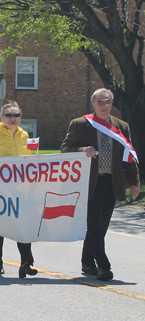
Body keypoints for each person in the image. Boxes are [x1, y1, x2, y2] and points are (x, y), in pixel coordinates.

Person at [61, 88, 139, 281]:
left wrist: (134, 182)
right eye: (100, 102)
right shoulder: (80, 124)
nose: (104, 105)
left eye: (107, 102)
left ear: (111, 104)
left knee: (101, 227)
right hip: (89, 183)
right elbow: (65, 149)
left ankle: (87, 263)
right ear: (93, 104)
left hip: (112, 183)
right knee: (95, 226)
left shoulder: (122, 127)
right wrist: (81, 150)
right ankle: (104, 266)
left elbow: (128, 157)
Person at [0, 100, 37, 278]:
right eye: (9, 115)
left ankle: (26, 263)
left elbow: (28, 160)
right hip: (0, 189)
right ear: (2, 118)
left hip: (20, 189)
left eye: (16, 115)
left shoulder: (24, 135)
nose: (13, 118)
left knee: (23, 225)